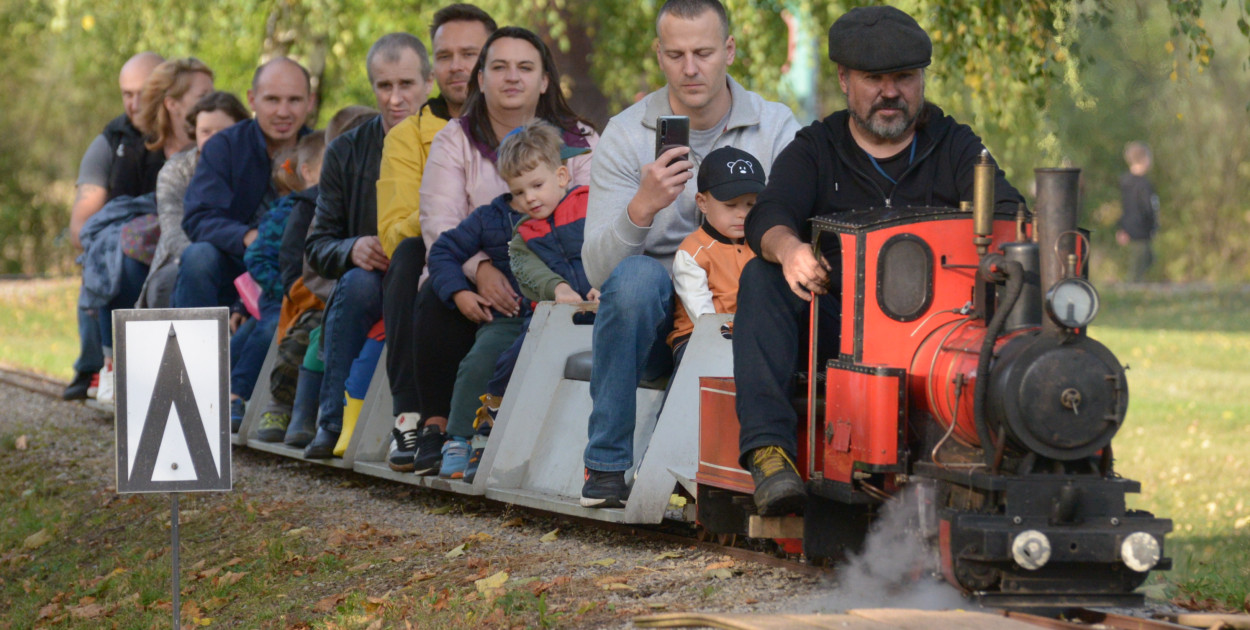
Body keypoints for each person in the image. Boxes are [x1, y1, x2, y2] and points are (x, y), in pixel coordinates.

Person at [733, 5, 1024, 516]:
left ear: (921, 80)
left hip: (939, 336)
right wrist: (790, 250)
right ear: (845, 80)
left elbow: (1009, 216)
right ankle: (769, 453)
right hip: (837, 332)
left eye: (904, 77)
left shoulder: (957, 146)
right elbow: (769, 216)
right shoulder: (814, 148)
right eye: (874, 78)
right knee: (761, 276)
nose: (891, 92)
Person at [579, 0, 800, 509]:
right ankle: (606, 466)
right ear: (658, 54)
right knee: (635, 279)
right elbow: (599, 274)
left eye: (703, 52)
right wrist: (642, 207)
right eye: (676, 54)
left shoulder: (774, 126)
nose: (690, 68)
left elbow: (801, 228)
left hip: (746, 307)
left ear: (729, 50)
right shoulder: (626, 132)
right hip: (657, 318)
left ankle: (737, 470)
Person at [395, 26, 598, 476]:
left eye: (525, 67)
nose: (512, 77)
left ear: (545, 79)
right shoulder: (457, 140)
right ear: (481, 77)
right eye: (499, 67)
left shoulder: (579, 140)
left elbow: (597, 218)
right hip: (487, 276)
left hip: (571, 285)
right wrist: (480, 269)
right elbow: (440, 225)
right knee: (437, 294)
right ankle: (443, 428)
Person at [301, 33, 434, 458]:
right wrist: (353, 247)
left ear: (427, 84)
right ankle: (330, 421)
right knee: (357, 284)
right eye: (384, 86)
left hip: (435, 270)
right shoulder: (344, 151)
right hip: (370, 280)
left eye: (406, 85)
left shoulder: (449, 140)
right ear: (372, 87)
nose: (395, 98)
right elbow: (317, 245)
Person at [377, 3, 496, 472]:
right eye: (445, 56)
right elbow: (396, 226)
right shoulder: (409, 137)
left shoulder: (522, 123)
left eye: (470, 53)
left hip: (511, 254)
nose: (458, 65)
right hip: (436, 255)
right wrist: (455, 223)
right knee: (409, 253)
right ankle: (413, 415)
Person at [84, 58, 216, 405]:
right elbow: (122, 205)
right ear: (173, 103)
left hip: (192, 236)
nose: (211, 101)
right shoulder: (137, 146)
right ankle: (114, 360)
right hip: (142, 238)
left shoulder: (216, 140)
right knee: (120, 260)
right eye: (203, 94)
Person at [63, 51, 164, 401]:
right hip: (121, 251)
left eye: (144, 93)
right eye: (127, 94)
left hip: (171, 248)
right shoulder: (108, 143)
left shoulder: (193, 136)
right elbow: (80, 228)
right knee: (104, 264)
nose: (134, 104)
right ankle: (95, 364)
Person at [174, 57, 314, 309]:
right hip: (234, 263)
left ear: (310, 102)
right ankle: (191, 345)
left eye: (294, 100)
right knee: (198, 257)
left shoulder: (322, 151)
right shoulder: (224, 147)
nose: (283, 111)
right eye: (272, 100)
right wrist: (247, 236)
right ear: (252, 100)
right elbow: (198, 217)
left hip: (297, 266)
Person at [137, 92, 251, 310]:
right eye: (206, 132)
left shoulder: (254, 166)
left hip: (245, 259)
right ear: (195, 133)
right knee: (197, 261)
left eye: (224, 132)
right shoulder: (177, 171)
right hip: (185, 259)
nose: (215, 140)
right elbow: (174, 234)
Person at [667, 145, 762, 361]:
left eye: (751, 205)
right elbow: (703, 316)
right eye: (730, 205)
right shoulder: (693, 252)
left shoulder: (761, 244)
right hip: (697, 338)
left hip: (750, 338)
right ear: (702, 203)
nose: (742, 214)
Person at [1117, 141, 1159, 283]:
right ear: (1145, 159)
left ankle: (1135, 287)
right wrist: (1153, 226)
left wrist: (1122, 228)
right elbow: (1148, 208)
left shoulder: (1124, 182)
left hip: (1129, 229)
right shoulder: (1144, 185)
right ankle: (1133, 291)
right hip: (1142, 231)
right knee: (1139, 266)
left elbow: (1124, 208)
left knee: (1144, 260)